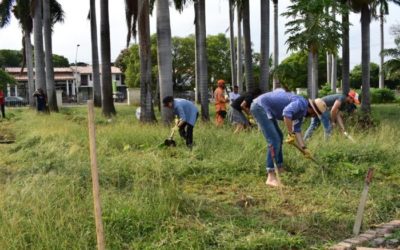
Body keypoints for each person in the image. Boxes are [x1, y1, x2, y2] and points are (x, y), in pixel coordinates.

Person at [250, 88, 326, 187]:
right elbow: (286, 113)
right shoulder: (301, 103)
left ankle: (280, 169)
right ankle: (271, 176)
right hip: (260, 106)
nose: (312, 117)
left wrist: (304, 148)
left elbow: (297, 130)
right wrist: (290, 134)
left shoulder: (301, 112)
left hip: (265, 108)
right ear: (312, 109)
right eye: (314, 115)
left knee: (279, 137)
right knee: (274, 140)